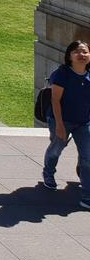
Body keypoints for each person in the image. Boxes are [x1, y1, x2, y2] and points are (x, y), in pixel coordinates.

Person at [42, 39, 90, 205]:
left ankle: (87, 195)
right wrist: (60, 126)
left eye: (85, 51)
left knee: (88, 157)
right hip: (61, 120)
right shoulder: (62, 74)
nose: (81, 55)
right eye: (77, 52)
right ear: (69, 56)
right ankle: (48, 173)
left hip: (83, 123)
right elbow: (56, 101)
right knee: (56, 149)